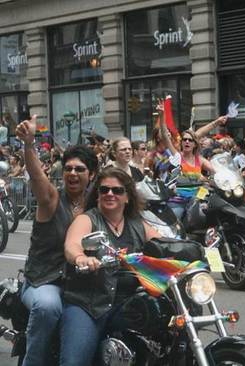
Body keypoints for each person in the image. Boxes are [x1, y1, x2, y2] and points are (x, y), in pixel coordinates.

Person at [15, 115, 99, 366]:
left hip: (83, 284)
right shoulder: (51, 199)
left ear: (92, 174)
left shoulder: (97, 204)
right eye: (69, 168)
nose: (72, 173)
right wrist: (29, 145)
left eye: (80, 169)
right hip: (43, 280)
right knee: (48, 306)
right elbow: (38, 179)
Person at [61, 167, 161, 366]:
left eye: (117, 190)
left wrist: (190, 252)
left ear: (127, 197)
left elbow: (163, 243)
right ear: (97, 194)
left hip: (128, 304)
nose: (110, 194)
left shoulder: (137, 224)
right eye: (104, 189)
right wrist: (81, 258)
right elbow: (72, 244)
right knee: (74, 362)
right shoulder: (87, 219)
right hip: (89, 304)